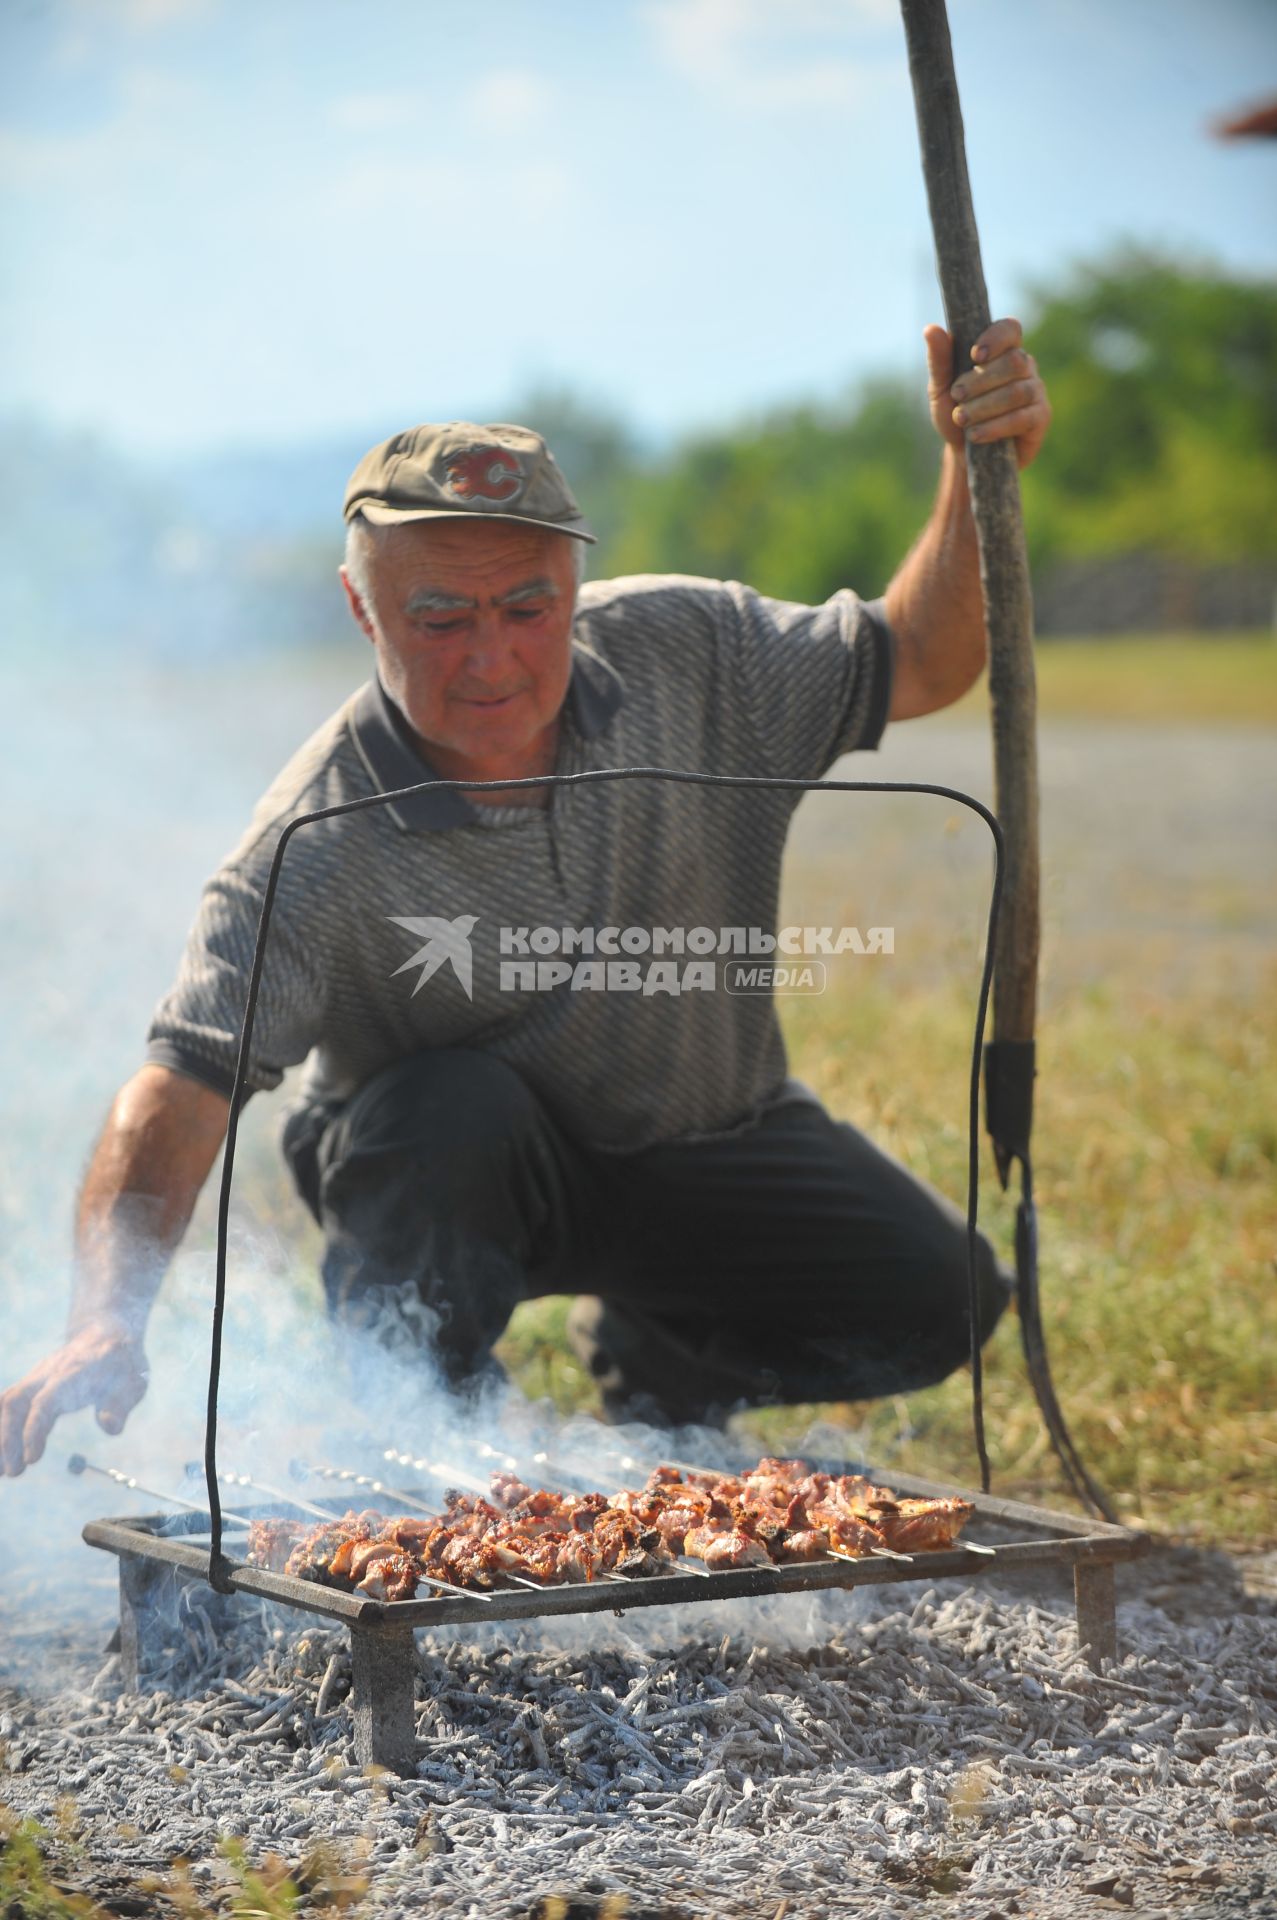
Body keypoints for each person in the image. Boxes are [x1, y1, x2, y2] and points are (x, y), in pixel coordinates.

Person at [0, 319, 1052, 1474]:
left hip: (702, 1137)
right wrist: (107, 1314)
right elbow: (182, 1080)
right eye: (439, 617)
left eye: (527, 607)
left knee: (936, 1296)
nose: (490, 655)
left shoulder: (690, 650)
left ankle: (669, 1358)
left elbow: (921, 658)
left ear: (574, 584)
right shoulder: (311, 841)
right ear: (364, 613)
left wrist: (968, 461)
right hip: (456, 1180)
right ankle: (420, 1437)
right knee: (441, 1112)